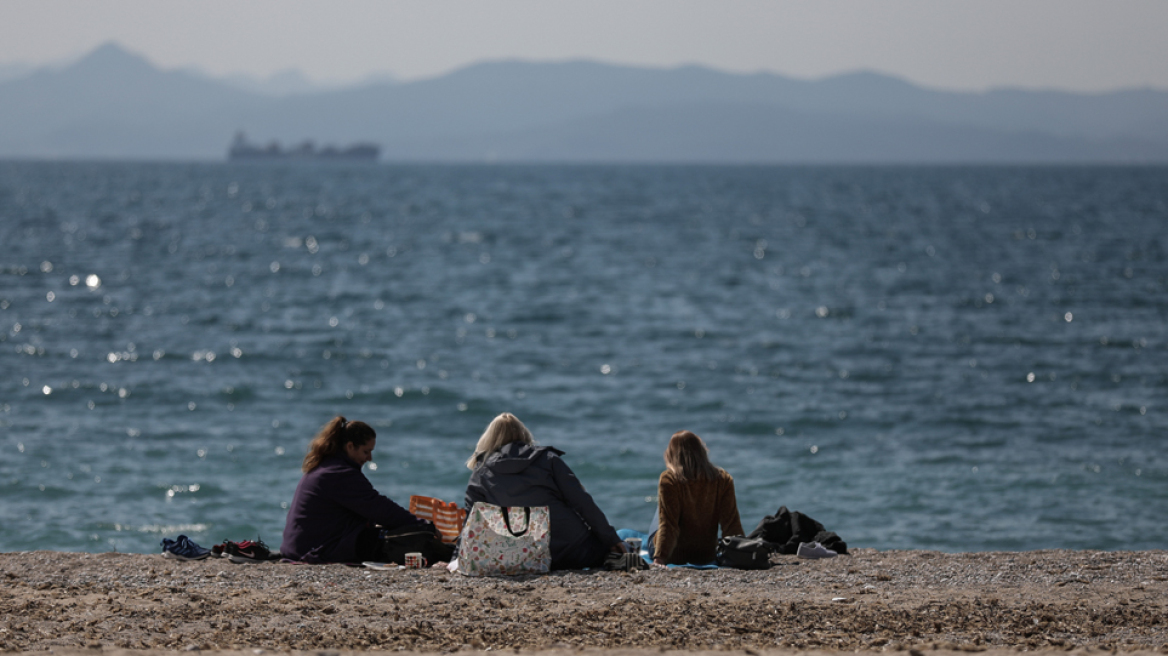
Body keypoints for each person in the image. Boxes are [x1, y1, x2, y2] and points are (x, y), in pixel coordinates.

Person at [464, 413, 627, 570]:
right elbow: (582, 502)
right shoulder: (547, 459)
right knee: (622, 547)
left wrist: (457, 559)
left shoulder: (481, 472)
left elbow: (470, 521)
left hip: (521, 555)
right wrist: (611, 539)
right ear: (523, 434)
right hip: (572, 549)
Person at [281, 416, 434, 563]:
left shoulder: (327, 466)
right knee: (396, 541)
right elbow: (378, 507)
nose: (369, 458)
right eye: (366, 451)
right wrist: (421, 525)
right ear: (350, 447)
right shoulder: (339, 474)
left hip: (300, 547)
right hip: (313, 550)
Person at [651, 430, 744, 566]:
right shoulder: (723, 479)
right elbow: (731, 524)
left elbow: (669, 525)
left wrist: (660, 558)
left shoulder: (669, 480)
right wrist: (741, 553)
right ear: (702, 451)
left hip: (675, 556)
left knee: (661, 512)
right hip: (706, 555)